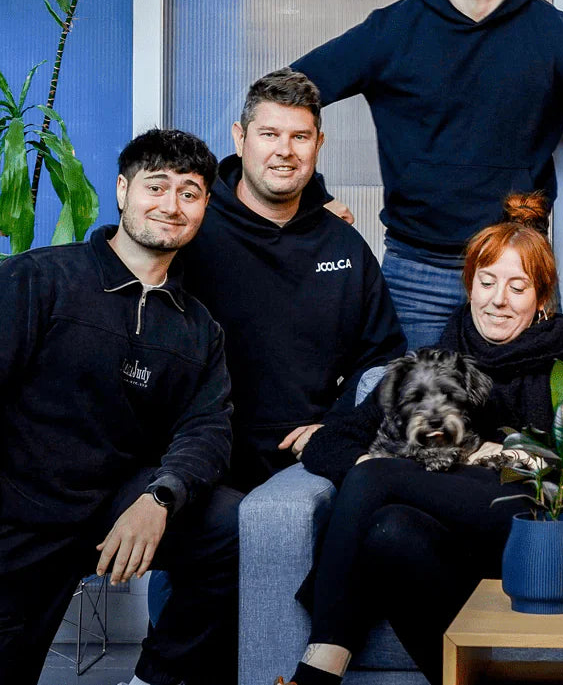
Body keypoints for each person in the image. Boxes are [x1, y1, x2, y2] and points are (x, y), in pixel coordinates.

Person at [288, 193, 563, 685]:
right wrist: (418, 463)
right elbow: (331, 442)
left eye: (517, 286)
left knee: (378, 476)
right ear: (470, 286)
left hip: (547, 532)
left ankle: (316, 675)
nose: (498, 299)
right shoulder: (428, 366)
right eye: (487, 282)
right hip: (455, 555)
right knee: (388, 529)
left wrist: (517, 458)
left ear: (541, 299)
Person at [293, 0, 563, 347]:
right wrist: (309, 198)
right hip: (414, 275)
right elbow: (283, 96)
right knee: (417, 416)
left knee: (530, 417)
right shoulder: (392, 30)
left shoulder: (556, 35)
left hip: (518, 269)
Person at [0, 129, 237, 685]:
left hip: (108, 513)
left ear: (205, 207)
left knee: (236, 527)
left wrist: (160, 497)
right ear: (122, 191)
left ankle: (154, 680)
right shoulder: (36, 280)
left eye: (189, 193)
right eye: (156, 186)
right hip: (11, 522)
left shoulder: (198, 330)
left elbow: (207, 431)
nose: (171, 205)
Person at [174, 69, 406, 490]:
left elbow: (381, 358)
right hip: (198, 451)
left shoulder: (344, 247)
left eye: (300, 137)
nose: (285, 151)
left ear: (319, 144)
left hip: (305, 458)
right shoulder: (191, 231)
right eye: (268, 134)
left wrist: (335, 426)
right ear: (240, 138)